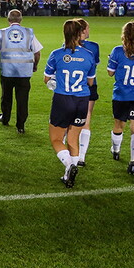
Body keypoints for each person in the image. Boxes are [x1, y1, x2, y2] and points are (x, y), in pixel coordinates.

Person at [43, 20, 97, 188]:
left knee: (56, 139)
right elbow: (90, 82)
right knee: (73, 140)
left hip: (62, 99)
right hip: (82, 101)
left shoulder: (56, 54)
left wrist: (54, 83)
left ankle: (69, 165)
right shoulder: (89, 55)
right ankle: (69, 176)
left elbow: (46, 79)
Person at [106, 21, 134, 175]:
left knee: (119, 125)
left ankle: (116, 150)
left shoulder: (117, 51)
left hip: (121, 95)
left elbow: (110, 72)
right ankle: (133, 163)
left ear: (124, 34)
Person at [0, 9, 43, 134]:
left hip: (7, 71)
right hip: (24, 71)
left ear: (8, 20)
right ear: (21, 19)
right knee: (22, 98)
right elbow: (37, 53)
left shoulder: (2, 33)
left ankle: (5, 118)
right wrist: (35, 65)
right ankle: (20, 125)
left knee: (6, 96)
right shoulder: (29, 33)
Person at [76, 19, 100, 167]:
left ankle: (67, 150)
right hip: (89, 85)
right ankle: (82, 157)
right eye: (88, 28)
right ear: (83, 30)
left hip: (71, 86)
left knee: (69, 120)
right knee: (86, 119)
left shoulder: (66, 46)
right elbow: (94, 65)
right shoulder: (94, 47)